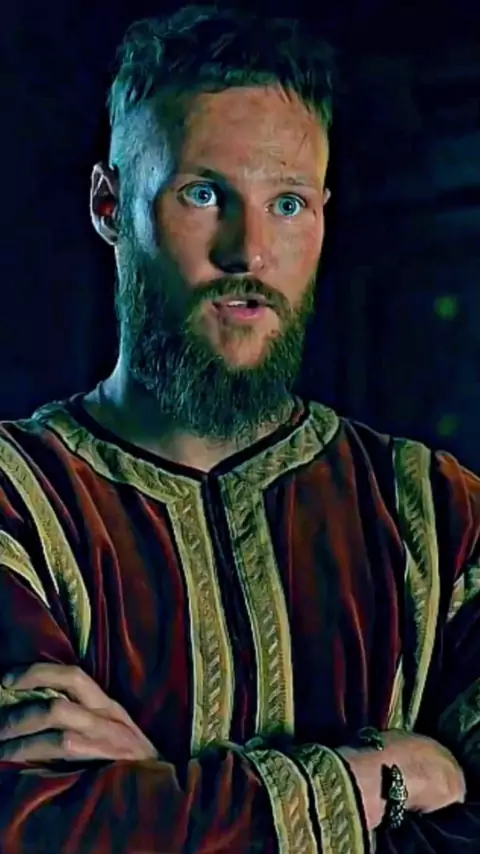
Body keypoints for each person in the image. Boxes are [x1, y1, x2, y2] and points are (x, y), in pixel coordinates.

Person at [0, 6, 478, 853]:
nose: (249, 252)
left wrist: (154, 795)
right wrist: (386, 780)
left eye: (287, 203)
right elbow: (41, 828)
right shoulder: (16, 501)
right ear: (110, 204)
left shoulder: (439, 514)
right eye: (204, 194)